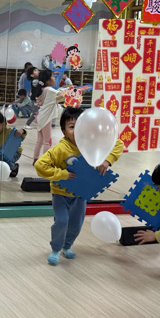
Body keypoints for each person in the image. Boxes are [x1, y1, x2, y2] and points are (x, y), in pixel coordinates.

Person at [35, 107, 124, 265]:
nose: (77, 131)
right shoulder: (60, 149)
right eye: (71, 127)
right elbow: (40, 165)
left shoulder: (93, 142)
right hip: (61, 194)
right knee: (61, 221)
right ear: (63, 131)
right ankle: (56, 248)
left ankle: (67, 246)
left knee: (76, 224)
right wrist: (62, 174)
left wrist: (107, 160)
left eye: (81, 126)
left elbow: (118, 144)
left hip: (80, 194)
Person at [30, 69, 66, 160]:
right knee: (47, 141)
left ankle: (35, 159)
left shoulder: (43, 89)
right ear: (47, 80)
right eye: (52, 76)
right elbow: (63, 95)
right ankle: (44, 160)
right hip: (46, 118)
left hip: (41, 117)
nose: (54, 78)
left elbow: (59, 97)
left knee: (40, 141)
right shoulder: (49, 90)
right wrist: (76, 92)